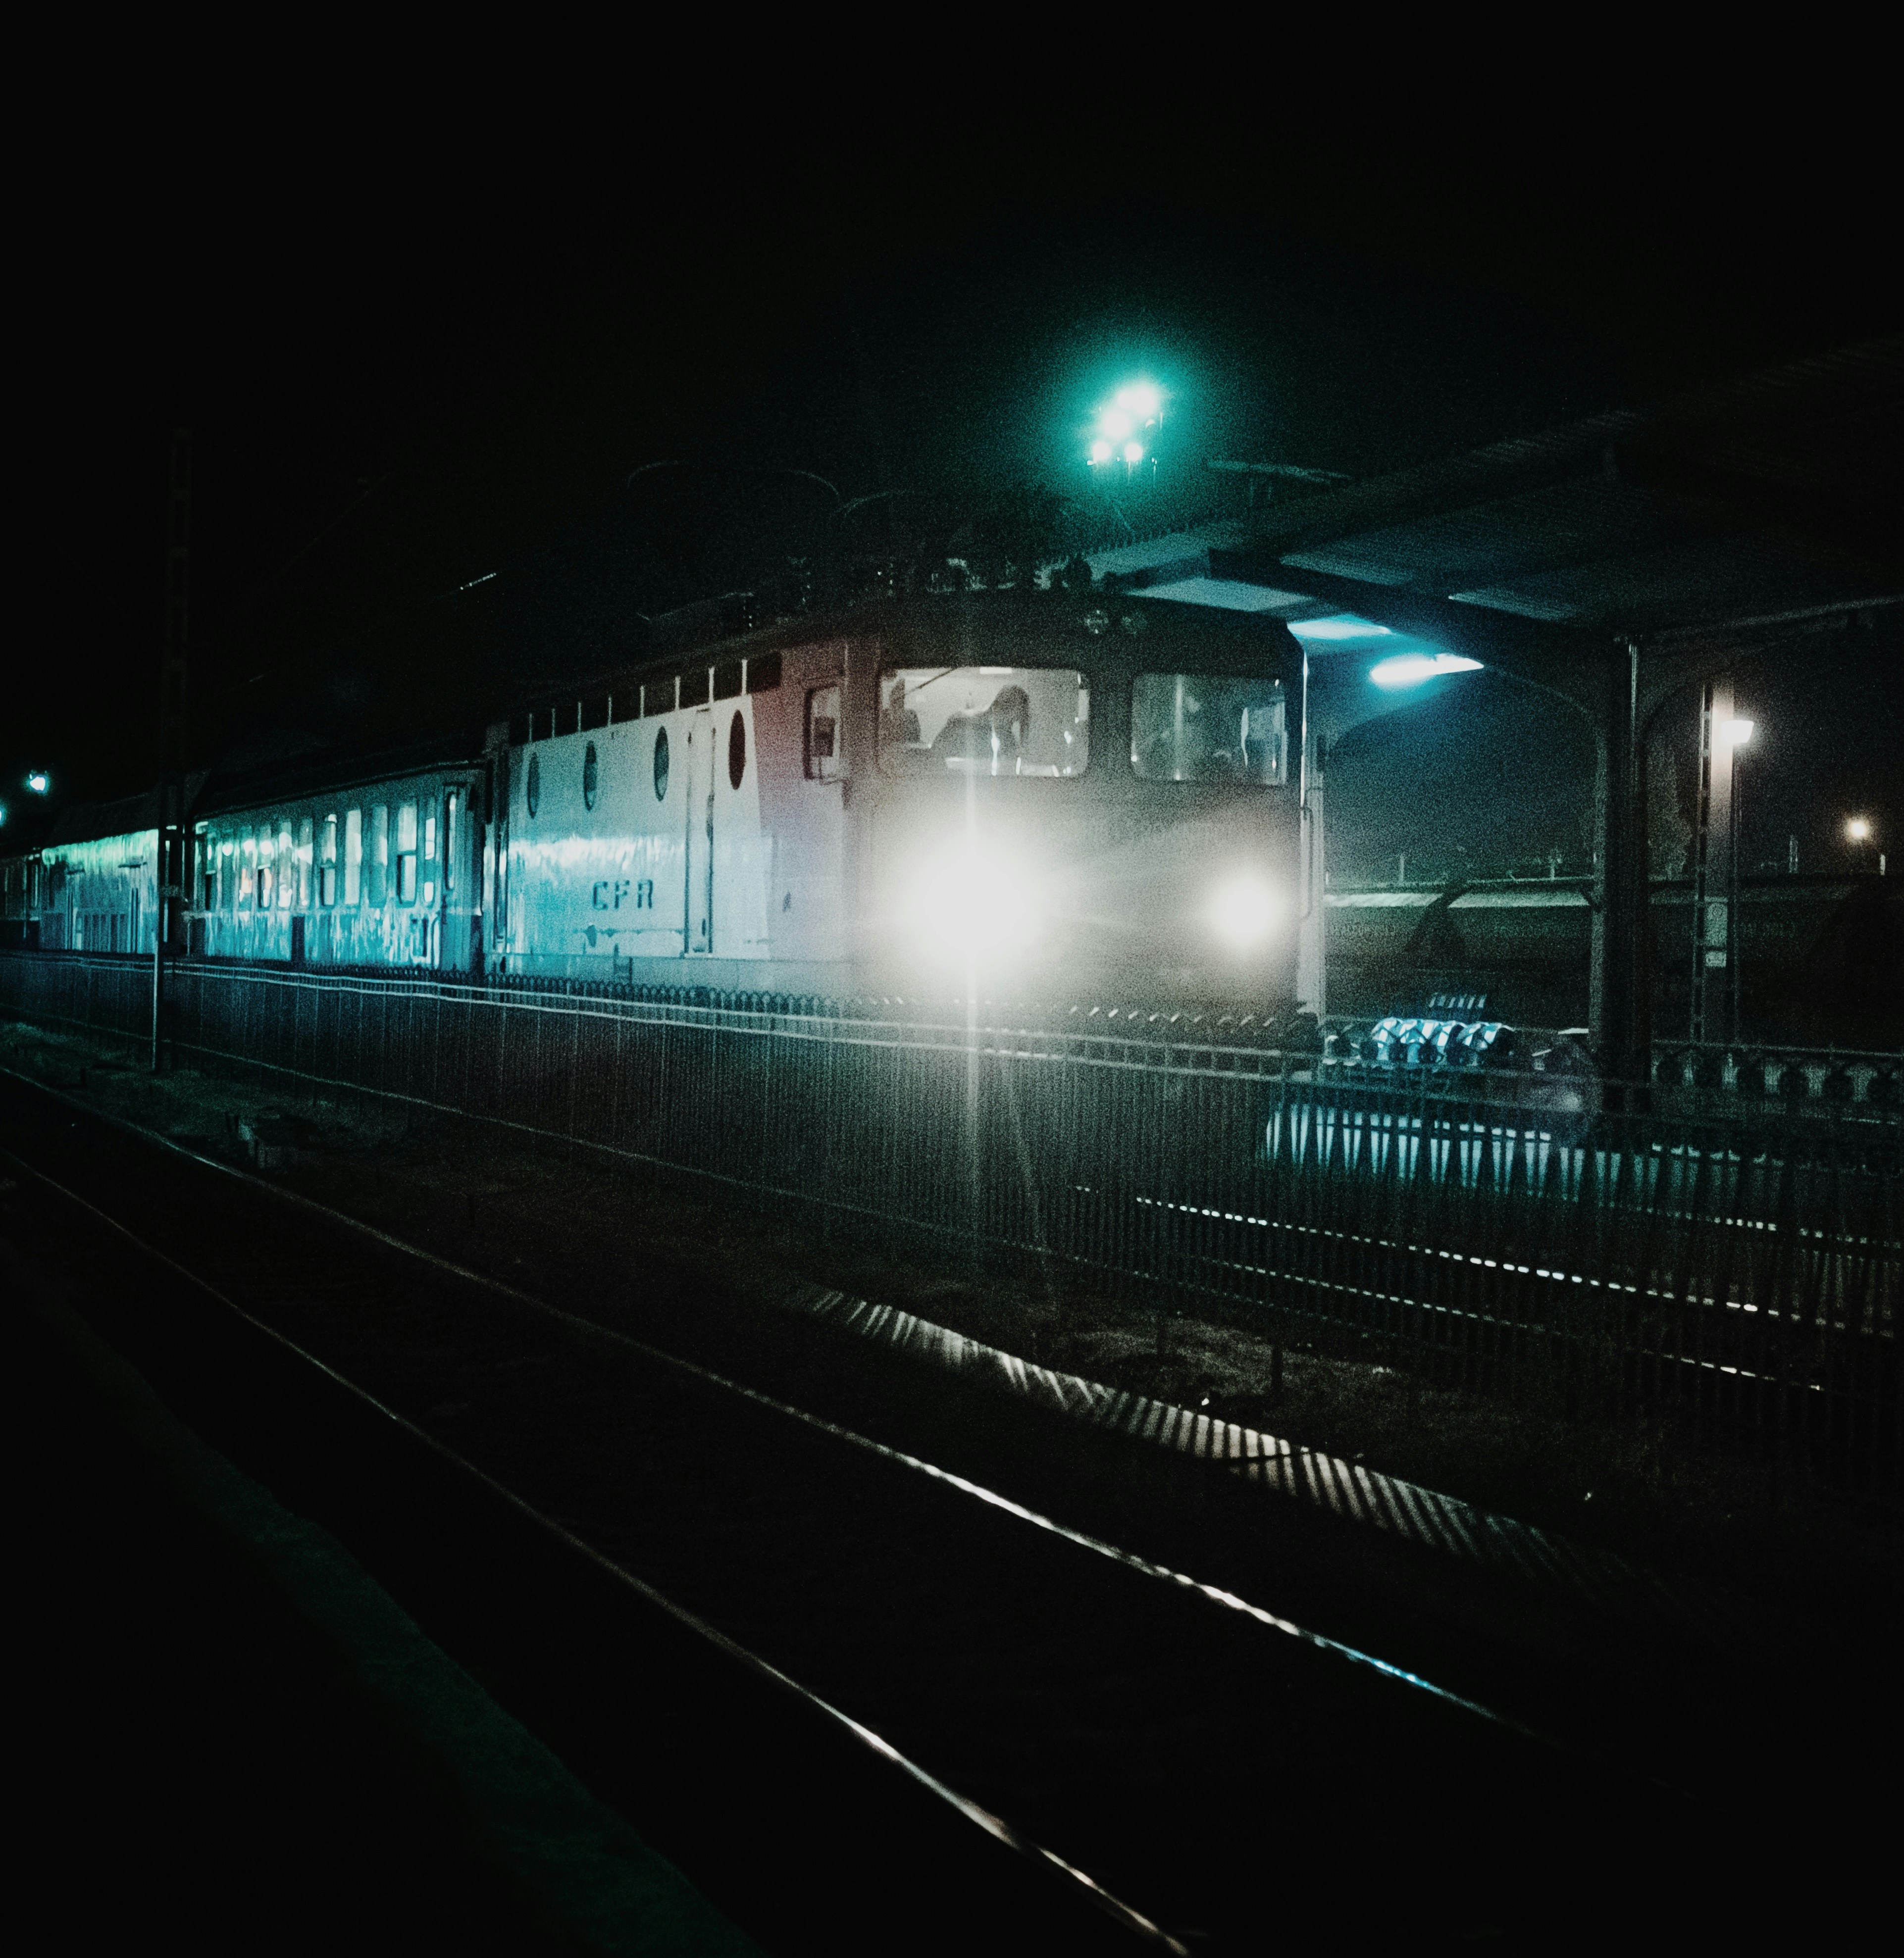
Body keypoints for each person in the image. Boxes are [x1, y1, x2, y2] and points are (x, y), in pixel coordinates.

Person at [880, 675, 922, 753]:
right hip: (886, 755)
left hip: (907, 753)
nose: (898, 701)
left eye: (901, 697)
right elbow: (880, 739)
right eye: (895, 697)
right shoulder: (884, 715)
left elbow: (915, 739)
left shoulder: (911, 715)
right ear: (891, 698)